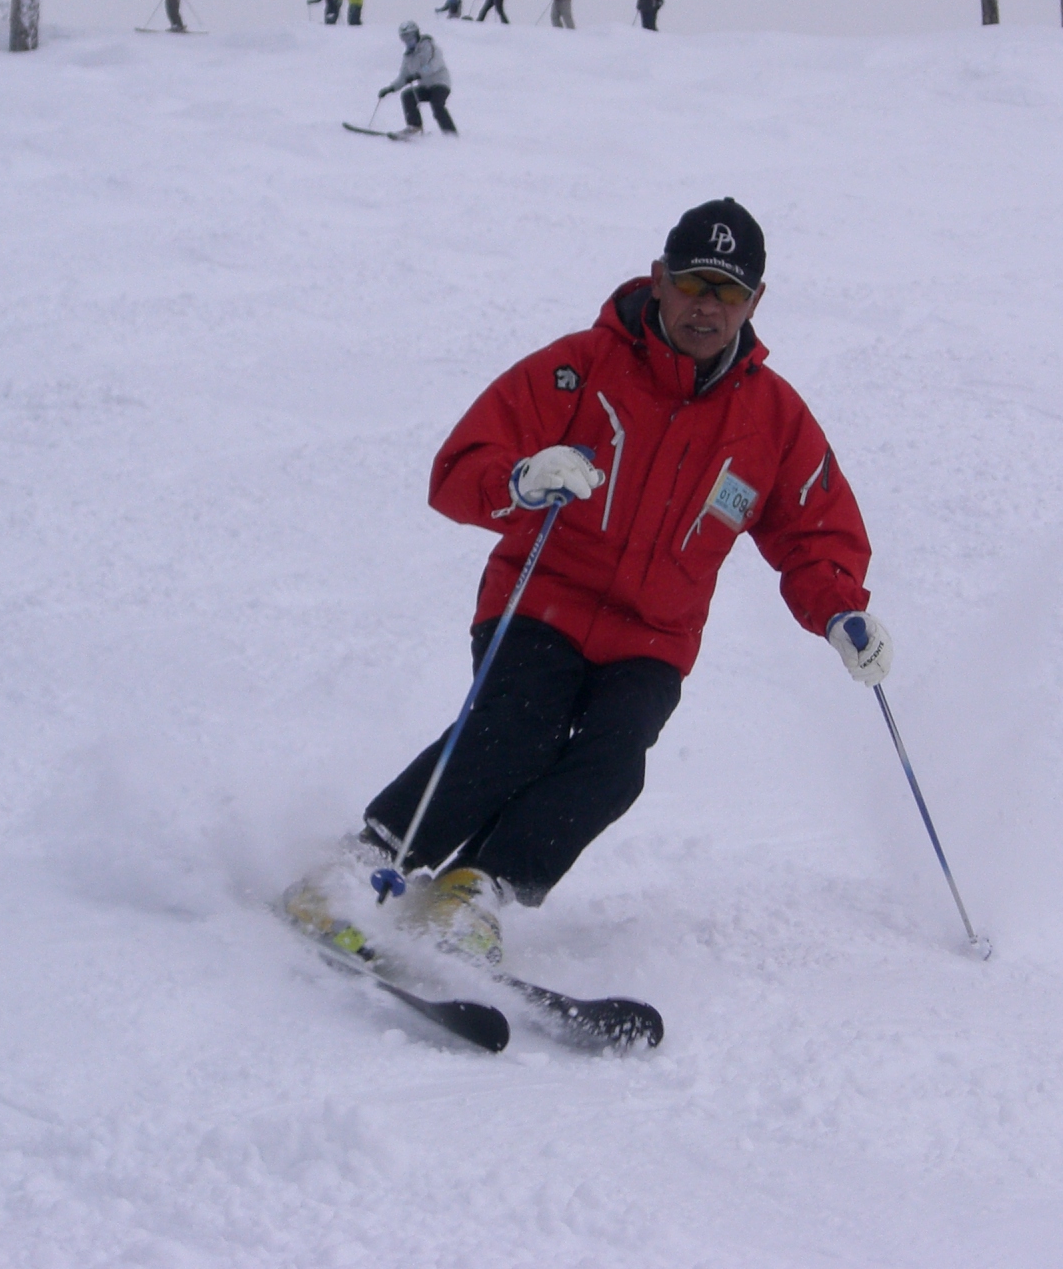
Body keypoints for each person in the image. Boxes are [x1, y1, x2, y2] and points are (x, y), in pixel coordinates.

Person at [317, 199, 887, 966]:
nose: (707, 306)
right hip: (542, 601)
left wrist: (841, 611)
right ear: (659, 279)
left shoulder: (773, 420)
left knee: (612, 766)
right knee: (518, 730)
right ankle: (359, 865)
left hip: (651, 640)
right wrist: (519, 481)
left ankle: (473, 891)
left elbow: (815, 532)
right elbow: (458, 469)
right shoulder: (579, 368)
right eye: (693, 283)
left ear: (755, 301)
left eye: (728, 291)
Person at [377, 20, 457, 136]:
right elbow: (403, 76)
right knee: (408, 95)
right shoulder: (408, 56)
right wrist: (390, 88)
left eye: (409, 36)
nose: (407, 40)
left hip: (440, 83)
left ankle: (450, 133)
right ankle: (414, 126)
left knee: (436, 104)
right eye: (404, 37)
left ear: (416, 34)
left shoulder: (429, 46)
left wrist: (419, 74)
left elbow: (433, 65)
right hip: (425, 86)